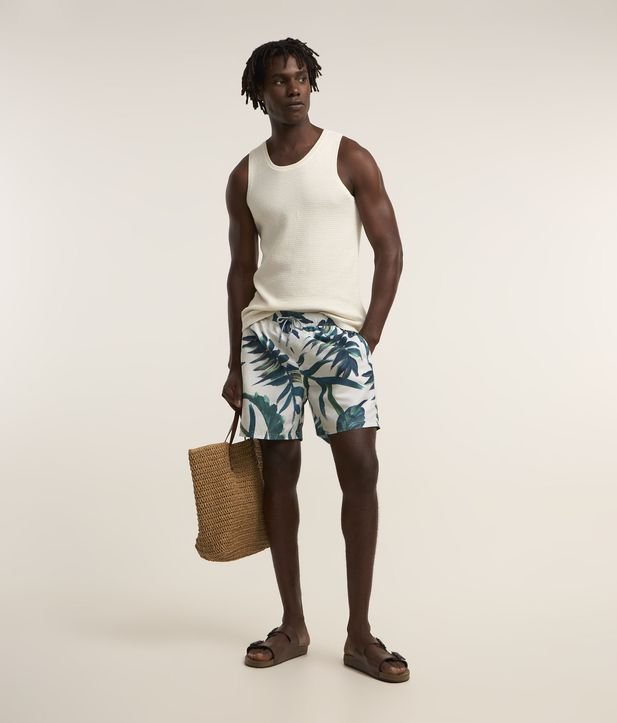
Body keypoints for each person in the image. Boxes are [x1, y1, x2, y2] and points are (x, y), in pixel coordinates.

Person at [221, 38, 407, 683]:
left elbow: (390, 248)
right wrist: (234, 362)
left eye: (302, 78)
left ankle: (360, 635)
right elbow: (239, 271)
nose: (294, 88)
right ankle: (293, 625)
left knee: (361, 469)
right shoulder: (246, 175)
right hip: (267, 337)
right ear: (259, 92)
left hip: (337, 338)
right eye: (280, 81)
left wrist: (368, 334)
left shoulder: (348, 157)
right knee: (279, 474)